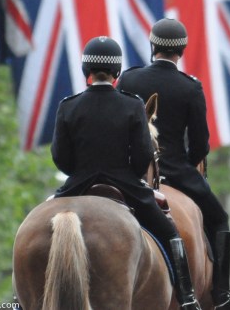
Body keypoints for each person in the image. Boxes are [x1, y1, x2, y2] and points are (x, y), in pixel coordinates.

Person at [51, 36, 202, 310]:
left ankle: (19, 299)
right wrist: (130, 174)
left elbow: (60, 158)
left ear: (86, 70)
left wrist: (79, 171)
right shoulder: (132, 105)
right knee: (170, 232)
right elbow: (144, 156)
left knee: (36, 222)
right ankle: (188, 297)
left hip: (77, 184)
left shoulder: (68, 105)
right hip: (125, 184)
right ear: (117, 72)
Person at [118, 18, 230, 310]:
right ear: (181, 51)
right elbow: (200, 144)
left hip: (130, 173)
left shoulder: (129, 79)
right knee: (219, 218)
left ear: (152, 46)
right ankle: (222, 294)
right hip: (176, 172)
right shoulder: (190, 88)